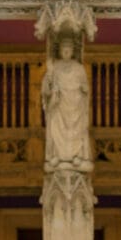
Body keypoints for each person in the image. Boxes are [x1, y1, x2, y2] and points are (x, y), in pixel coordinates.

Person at [41, 37, 92, 172]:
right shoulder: (55, 66)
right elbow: (46, 89)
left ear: (73, 51)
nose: (66, 52)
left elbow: (85, 88)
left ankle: (76, 155)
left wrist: (84, 88)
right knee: (56, 128)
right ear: (60, 51)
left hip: (75, 104)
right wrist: (50, 83)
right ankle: (57, 155)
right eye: (64, 49)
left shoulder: (78, 67)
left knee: (76, 130)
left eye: (69, 50)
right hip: (59, 104)